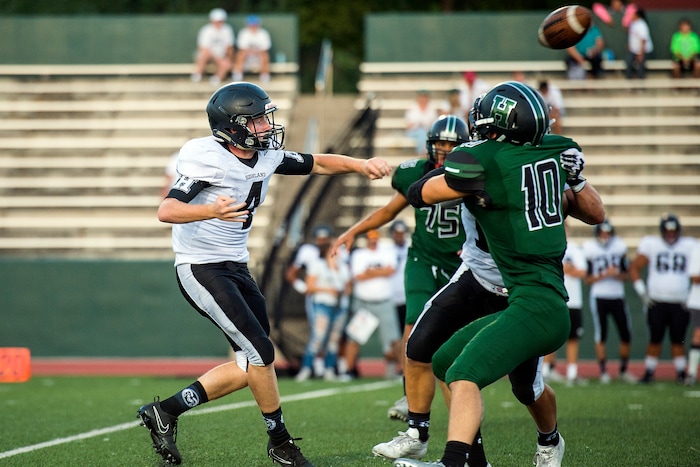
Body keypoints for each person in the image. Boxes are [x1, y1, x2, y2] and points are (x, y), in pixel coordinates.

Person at [136, 81, 392, 466]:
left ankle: (167, 411)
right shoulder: (206, 157)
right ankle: (280, 441)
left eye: (263, 118)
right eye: (255, 120)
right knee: (261, 351)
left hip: (237, 265)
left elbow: (317, 162)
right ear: (233, 126)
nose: (265, 127)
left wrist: (361, 165)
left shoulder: (267, 155)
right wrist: (212, 210)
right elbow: (167, 210)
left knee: (253, 362)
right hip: (201, 265)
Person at [395, 81, 605, 467]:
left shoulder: (487, 158)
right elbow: (592, 211)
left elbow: (420, 193)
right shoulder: (552, 153)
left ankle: (459, 461)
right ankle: (461, 456)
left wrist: (463, 179)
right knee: (443, 361)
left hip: (533, 299)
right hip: (509, 286)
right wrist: (573, 177)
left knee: (494, 379)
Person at [333, 114, 468, 417]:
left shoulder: (473, 174)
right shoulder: (415, 172)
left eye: (451, 144)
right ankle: (411, 398)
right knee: (412, 330)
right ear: (430, 145)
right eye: (441, 144)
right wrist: (352, 231)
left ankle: (461, 400)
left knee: (453, 338)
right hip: (423, 258)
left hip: (460, 264)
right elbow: (389, 210)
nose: (445, 150)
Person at [629, 213, 697, 384]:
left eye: (674, 231)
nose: (671, 234)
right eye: (667, 231)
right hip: (657, 300)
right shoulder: (652, 244)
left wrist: (691, 295)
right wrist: (642, 292)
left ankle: (682, 372)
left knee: (678, 338)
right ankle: (649, 371)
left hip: (680, 301)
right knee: (655, 338)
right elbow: (635, 267)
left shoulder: (690, 246)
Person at [340, 229, 401, 380]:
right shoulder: (360, 254)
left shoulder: (387, 252)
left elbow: (391, 270)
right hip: (365, 303)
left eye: (375, 237)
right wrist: (380, 271)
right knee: (354, 338)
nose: (373, 240)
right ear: (367, 239)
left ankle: (396, 370)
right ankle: (348, 370)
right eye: (370, 237)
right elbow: (358, 276)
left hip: (384, 301)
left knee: (393, 340)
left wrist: (370, 272)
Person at [583, 219, 636, 384]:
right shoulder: (589, 248)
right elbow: (588, 279)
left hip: (617, 295)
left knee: (626, 334)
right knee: (601, 334)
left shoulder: (619, 246)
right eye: (602, 233)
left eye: (607, 233)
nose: (605, 236)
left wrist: (617, 274)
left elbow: (627, 275)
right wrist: (606, 273)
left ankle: (623, 370)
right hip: (599, 296)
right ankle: (603, 371)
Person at [295, 236, 352, 382]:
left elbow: (348, 287)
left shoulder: (343, 267)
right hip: (323, 304)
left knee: (334, 339)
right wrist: (328, 290)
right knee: (318, 337)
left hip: (340, 306)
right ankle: (306, 368)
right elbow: (309, 287)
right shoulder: (317, 265)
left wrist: (342, 291)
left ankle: (329, 369)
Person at [285, 224, 336, 378]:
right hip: (317, 298)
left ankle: (326, 368)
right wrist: (303, 287)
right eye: (319, 239)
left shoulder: (336, 251)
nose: (322, 242)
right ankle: (314, 367)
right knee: (318, 333)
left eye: (325, 239)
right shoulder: (308, 251)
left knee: (332, 335)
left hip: (336, 298)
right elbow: (291, 274)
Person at [542, 221, 588, 386]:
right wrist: (565, 269)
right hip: (555, 298)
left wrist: (568, 270)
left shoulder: (575, 248)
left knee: (573, 338)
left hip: (573, 299)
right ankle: (545, 371)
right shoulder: (548, 247)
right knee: (551, 338)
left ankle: (572, 373)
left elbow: (582, 271)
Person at [192, 8, 235, 85]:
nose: (218, 23)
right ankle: (198, 75)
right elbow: (203, 49)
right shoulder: (206, 30)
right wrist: (219, 60)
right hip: (209, 54)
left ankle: (216, 80)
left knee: (227, 63)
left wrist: (229, 59)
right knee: (203, 56)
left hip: (221, 55)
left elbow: (229, 47)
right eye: (216, 21)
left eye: (220, 21)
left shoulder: (227, 30)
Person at [232, 15, 272, 83]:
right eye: (251, 25)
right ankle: (238, 75)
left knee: (264, 55)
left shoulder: (263, 33)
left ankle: (264, 75)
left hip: (259, 58)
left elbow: (265, 49)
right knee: (240, 54)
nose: (253, 26)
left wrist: (254, 52)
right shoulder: (244, 33)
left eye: (255, 24)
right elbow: (242, 48)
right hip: (247, 58)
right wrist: (253, 51)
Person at [405, 90, 439, 156]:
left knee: (424, 133)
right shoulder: (412, 107)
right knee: (422, 133)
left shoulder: (432, 108)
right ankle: (423, 153)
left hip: (428, 131)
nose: (423, 99)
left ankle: (423, 153)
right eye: (421, 97)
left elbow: (434, 123)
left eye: (425, 97)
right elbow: (408, 125)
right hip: (414, 132)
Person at [685, 241, 700, 386]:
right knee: (698, 335)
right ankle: (692, 373)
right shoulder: (697, 249)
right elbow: (694, 277)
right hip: (698, 301)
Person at [625, 8, 653, 80]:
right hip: (634, 50)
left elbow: (644, 40)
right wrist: (630, 45)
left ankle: (641, 86)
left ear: (637, 15)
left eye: (633, 14)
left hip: (642, 50)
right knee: (628, 63)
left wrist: (641, 53)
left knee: (641, 66)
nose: (632, 16)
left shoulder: (642, 25)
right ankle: (629, 84)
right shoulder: (633, 23)